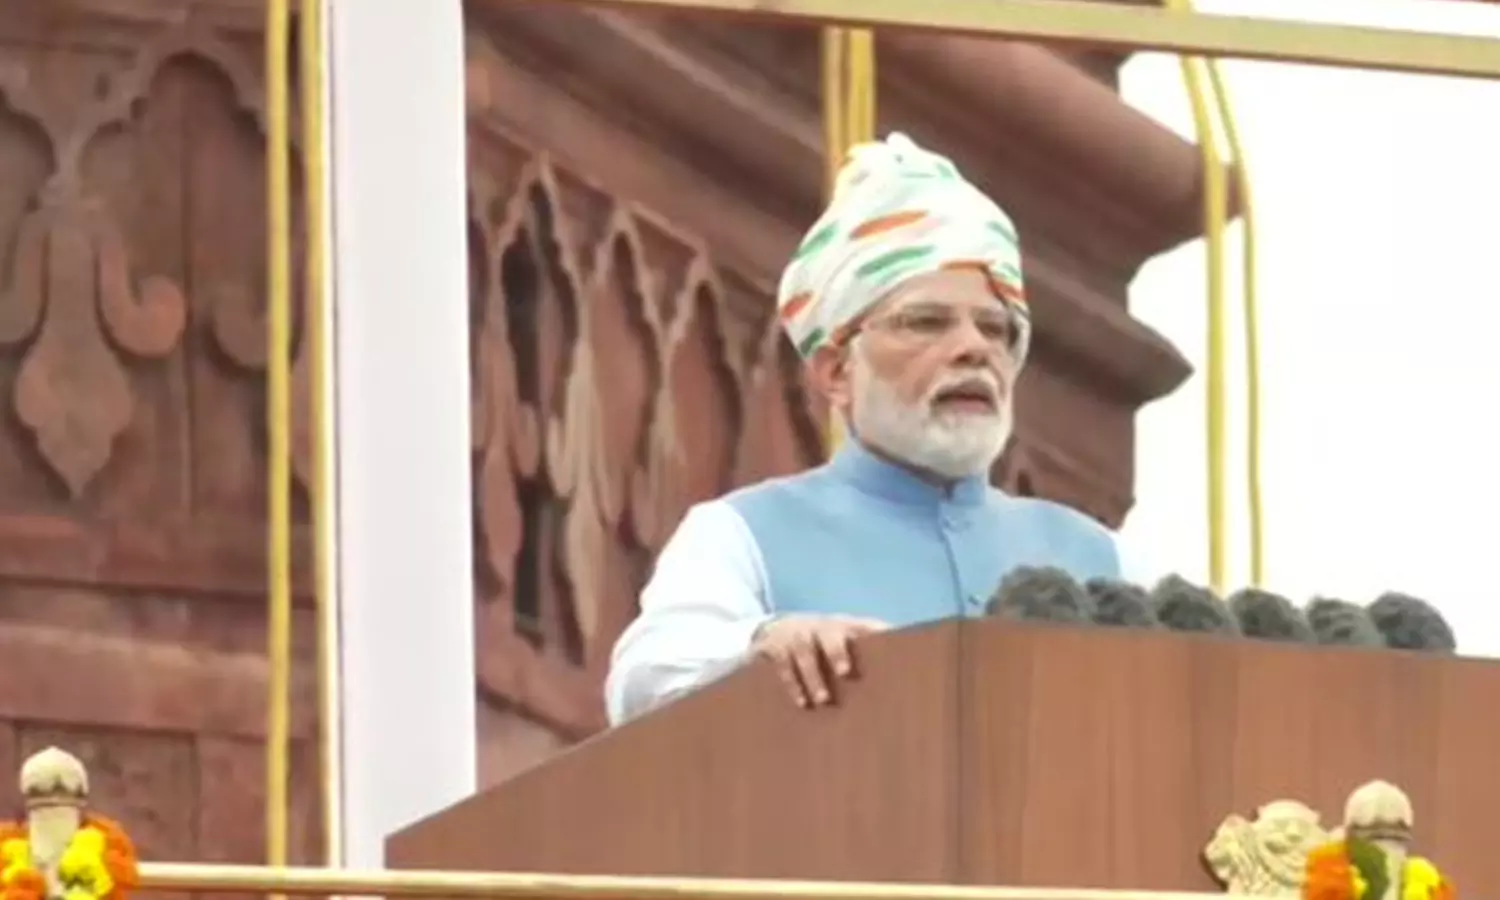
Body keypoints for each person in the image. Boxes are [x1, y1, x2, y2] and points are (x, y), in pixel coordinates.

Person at [605, 133, 1126, 724]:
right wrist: (764, 641)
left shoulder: (1101, 558)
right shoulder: (742, 534)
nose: (973, 348)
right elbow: (641, 684)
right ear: (836, 372)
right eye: (927, 322)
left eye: (994, 329)